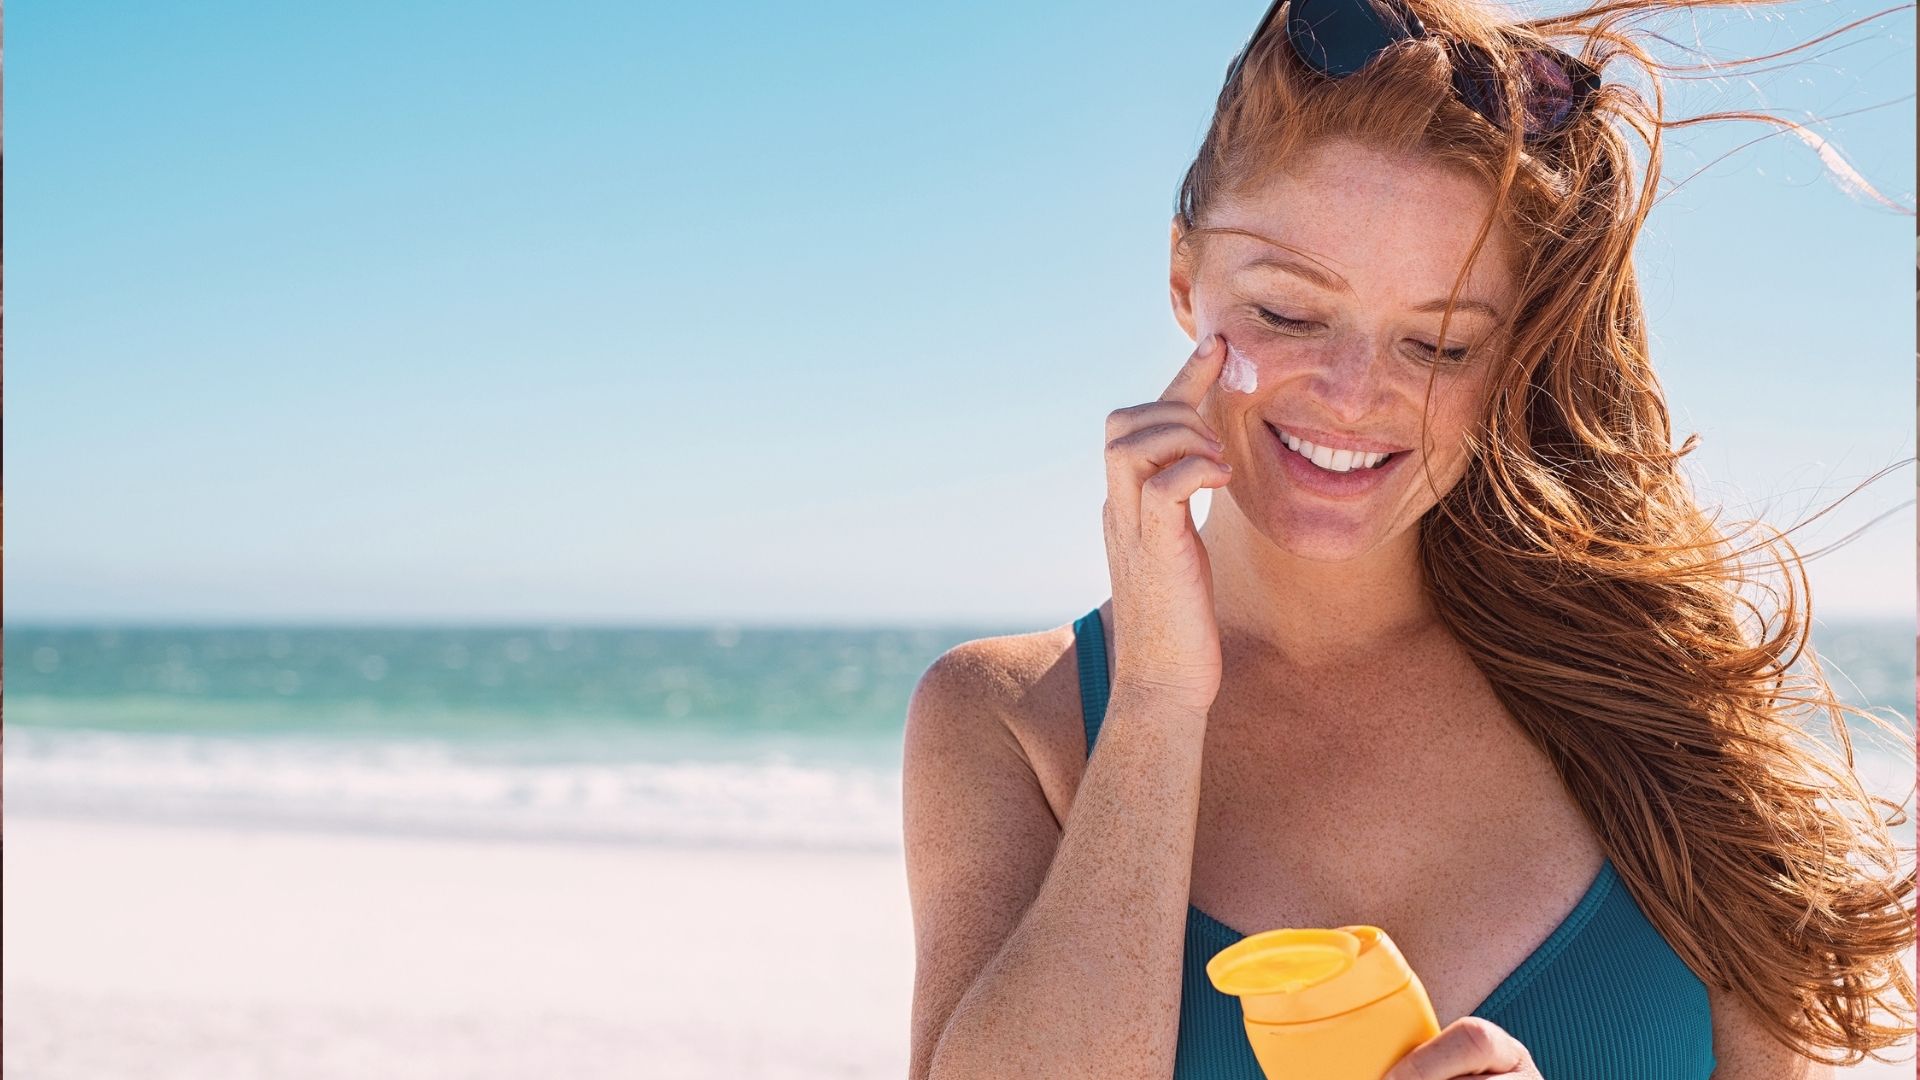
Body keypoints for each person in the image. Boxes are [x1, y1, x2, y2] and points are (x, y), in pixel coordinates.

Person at [901, 0, 1916, 1076]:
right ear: (1184, 279)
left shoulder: (1669, 707)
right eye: (1290, 314)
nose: (1350, 397)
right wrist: (1154, 701)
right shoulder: (1013, 723)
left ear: (1511, 355)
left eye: (1436, 344)